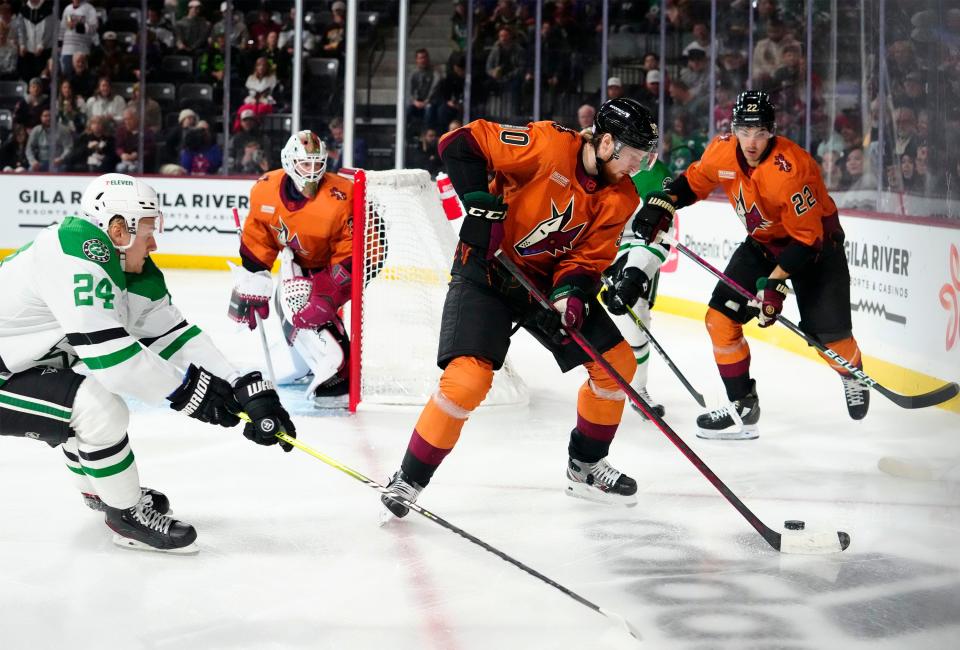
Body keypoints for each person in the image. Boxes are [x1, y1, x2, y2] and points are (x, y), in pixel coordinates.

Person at [379, 98, 659, 519]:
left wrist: (572, 293)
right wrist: (479, 205)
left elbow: (587, 260)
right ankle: (409, 478)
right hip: (488, 271)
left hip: (542, 285)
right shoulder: (546, 145)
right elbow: (459, 143)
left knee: (616, 364)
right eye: (634, 157)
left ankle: (584, 466)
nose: (638, 168)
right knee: (467, 381)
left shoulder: (621, 197)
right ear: (605, 144)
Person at [0, 173, 295, 553]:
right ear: (118, 229)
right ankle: (126, 516)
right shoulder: (77, 250)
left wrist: (244, 387)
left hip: (14, 364)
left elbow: (175, 338)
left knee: (83, 398)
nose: (154, 242)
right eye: (148, 230)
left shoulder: (127, 267)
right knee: (97, 408)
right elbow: (113, 360)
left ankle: (101, 491)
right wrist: (192, 394)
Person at [632, 90, 869, 441]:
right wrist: (663, 203)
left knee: (829, 337)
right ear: (733, 128)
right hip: (762, 244)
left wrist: (773, 286)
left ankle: (853, 375)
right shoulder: (723, 150)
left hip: (816, 249)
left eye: (760, 132)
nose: (752, 141)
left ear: (771, 131)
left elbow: (808, 240)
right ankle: (743, 405)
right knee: (719, 319)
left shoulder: (793, 169)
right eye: (745, 131)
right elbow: (693, 184)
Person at [230, 130, 355, 407]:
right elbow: (258, 238)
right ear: (289, 162)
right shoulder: (265, 188)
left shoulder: (342, 195)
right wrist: (252, 281)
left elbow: (356, 248)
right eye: (304, 164)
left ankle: (339, 376)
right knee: (287, 305)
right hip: (297, 262)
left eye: (316, 164)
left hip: (333, 266)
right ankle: (305, 363)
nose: (311, 173)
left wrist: (329, 291)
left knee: (308, 308)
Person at [601, 156, 675, 418]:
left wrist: (633, 273)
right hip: (595, 243)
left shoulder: (657, 176)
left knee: (635, 312)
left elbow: (661, 236)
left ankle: (638, 388)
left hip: (636, 247)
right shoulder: (595, 160)